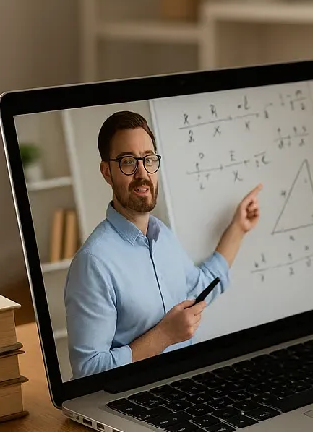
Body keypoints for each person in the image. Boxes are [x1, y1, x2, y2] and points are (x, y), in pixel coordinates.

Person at [64, 110, 263, 379]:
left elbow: (198, 291)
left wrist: (238, 229)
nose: (142, 173)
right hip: (136, 401)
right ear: (107, 172)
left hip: (187, 382)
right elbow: (88, 371)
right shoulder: (93, 263)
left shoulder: (162, 236)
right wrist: (164, 336)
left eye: (148, 159)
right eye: (127, 162)